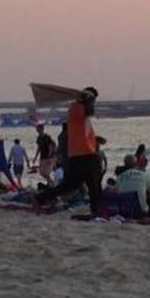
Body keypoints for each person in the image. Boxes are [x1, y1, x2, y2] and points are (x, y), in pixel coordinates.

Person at [62, 87, 104, 215]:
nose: (93, 102)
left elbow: (82, 133)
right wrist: (89, 99)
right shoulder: (77, 107)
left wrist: (96, 139)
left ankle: (40, 198)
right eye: (93, 100)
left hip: (82, 152)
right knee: (94, 183)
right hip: (83, 153)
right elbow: (90, 111)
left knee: (73, 184)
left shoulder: (78, 109)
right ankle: (96, 210)